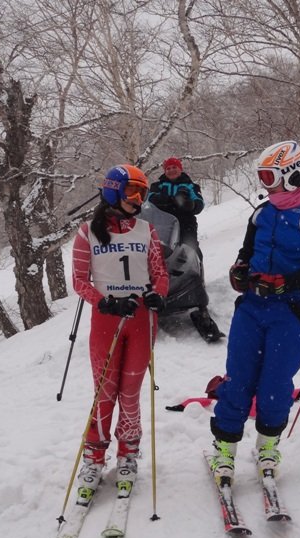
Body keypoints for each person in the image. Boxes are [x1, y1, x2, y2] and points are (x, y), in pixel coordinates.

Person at [208, 140, 300, 483]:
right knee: (238, 378)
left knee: (275, 385)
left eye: (270, 177)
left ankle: (267, 446)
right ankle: (225, 449)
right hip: (251, 308)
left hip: (291, 312)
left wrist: (283, 283)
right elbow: (246, 253)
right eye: (262, 177)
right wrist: (239, 270)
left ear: (292, 175)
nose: (265, 185)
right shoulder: (261, 213)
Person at [71, 164, 169, 501]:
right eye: (131, 192)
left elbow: (160, 273)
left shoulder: (146, 230)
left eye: (142, 193)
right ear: (113, 192)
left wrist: (159, 295)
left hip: (141, 320)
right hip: (107, 320)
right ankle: (94, 456)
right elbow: (79, 281)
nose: (138, 199)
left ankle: (128, 452)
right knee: (104, 392)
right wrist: (105, 302)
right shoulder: (88, 232)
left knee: (130, 393)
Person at [145, 156, 223, 342]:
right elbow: (148, 202)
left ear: (180, 169)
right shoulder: (157, 186)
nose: (171, 170)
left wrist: (190, 203)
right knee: (156, 254)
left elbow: (199, 203)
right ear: (164, 170)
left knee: (192, 252)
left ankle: (198, 287)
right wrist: (167, 200)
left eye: (174, 167)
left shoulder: (190, 185)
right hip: (162, 225)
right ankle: (156, 287)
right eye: (168, 168)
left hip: (186, 224)